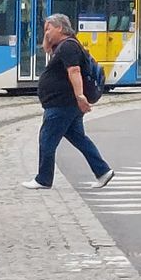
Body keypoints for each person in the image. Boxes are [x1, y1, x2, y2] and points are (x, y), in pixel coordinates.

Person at [22, 13, 114, 191]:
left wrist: (80, 97)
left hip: (63, 103)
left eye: (49, 28)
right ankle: (103, 171)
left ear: (61, 28)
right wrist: (47, 38)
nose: (46, 32)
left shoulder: (68, 46)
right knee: (79, 138)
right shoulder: (64, 46)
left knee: (47, 139)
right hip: (65, 103)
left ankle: (43, 179)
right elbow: (48, 49)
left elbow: (74, 71)